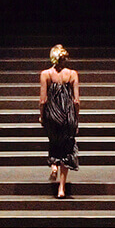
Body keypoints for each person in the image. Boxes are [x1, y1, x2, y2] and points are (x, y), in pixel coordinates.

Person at [39, 44, 80, 198]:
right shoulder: (72, 74)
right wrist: (76, 117)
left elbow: (43, 100)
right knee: (67, 148)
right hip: (67, 114)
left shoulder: (45, 74)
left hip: (52, 114)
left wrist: (42, 116)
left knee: (54, 143)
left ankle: (54, 165)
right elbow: (76, 101)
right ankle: (61, 188)